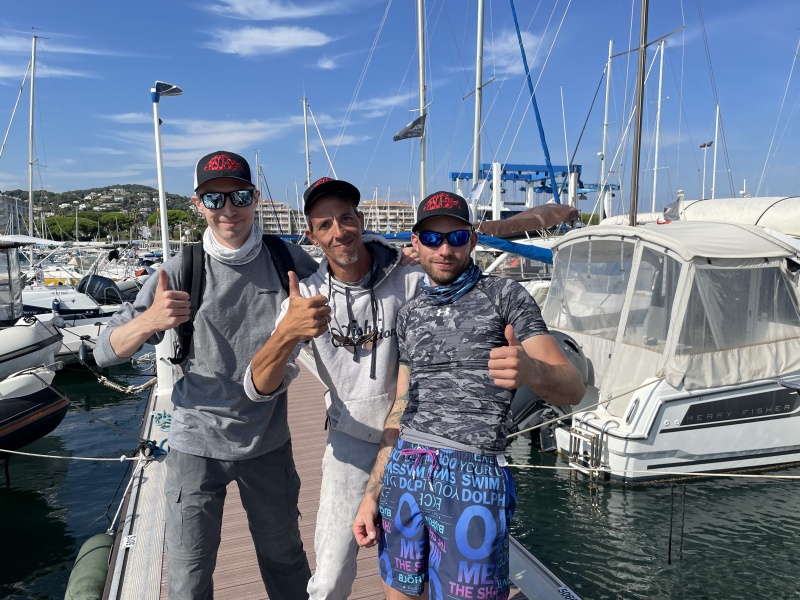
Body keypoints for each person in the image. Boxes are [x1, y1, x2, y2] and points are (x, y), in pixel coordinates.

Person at [94, 150, 321, 600]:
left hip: (267, 443)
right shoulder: (180, 270)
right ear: (197, 204)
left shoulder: (287, 260)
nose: (228, 210)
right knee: (188, 579)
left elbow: (349, 278)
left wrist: (403, 261)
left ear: (255, 198)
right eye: (214, 200)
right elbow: (105, 352)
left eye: (238, 196)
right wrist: (149, 320)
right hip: (194, 445)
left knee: (286, 561)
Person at [352, 191, 586, 599]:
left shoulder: (507, 297)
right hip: (405, 469)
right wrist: (371, 493)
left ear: (473, 240)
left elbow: (574, 387)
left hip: (473, 475)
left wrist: (532, 371)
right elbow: (401, 406)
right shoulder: (410, 313)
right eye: (432, 238)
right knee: (398, 593)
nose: (444, 249)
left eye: (456, 238)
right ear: (416, 242)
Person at [244, 176, 424, 600]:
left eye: (345, 218)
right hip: (351, 443)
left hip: (416, 443)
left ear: (361, 220)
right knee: (328, 581)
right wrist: (286, 333)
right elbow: (259, 388)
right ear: (311, 235)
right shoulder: (304, 299)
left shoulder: (410, 279)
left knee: (413, 574)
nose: (339, 231)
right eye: (324, 225)